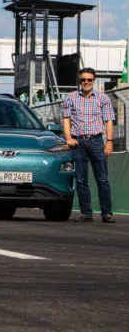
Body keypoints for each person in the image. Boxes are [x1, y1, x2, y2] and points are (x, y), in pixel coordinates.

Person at [63, 67, 116, 223]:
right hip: (78, 142)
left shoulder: (103, 98)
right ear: (79, 80)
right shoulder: (71, 98)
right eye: (83, 79)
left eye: (89, 80)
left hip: (97, 141)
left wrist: (109, 142)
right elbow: (66, 119)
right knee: (80, 179)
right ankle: (86, 212)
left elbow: (109, 121)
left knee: (102, 178)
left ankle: (107, 213)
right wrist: (68, 138)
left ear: (94, 80)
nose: (86, 82)